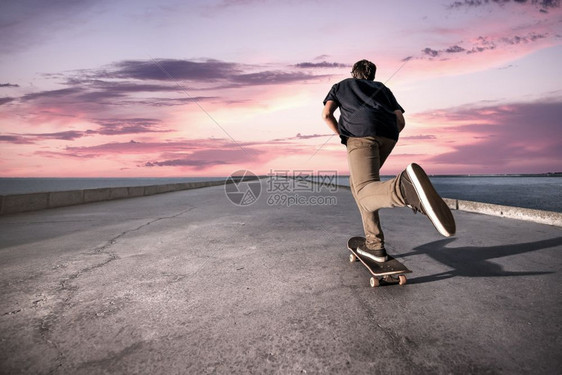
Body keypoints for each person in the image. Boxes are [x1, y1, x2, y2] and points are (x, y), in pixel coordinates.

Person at [322, 59, 455, 262]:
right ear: (372, 76)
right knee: (359, 185)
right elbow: (400, 121)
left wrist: (345, 136)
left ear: (353, 73)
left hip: (359, 137)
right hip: (389, 136)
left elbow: (327, 115)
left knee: (364, 190)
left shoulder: (341, 85)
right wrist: (385, 135)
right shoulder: (383, 88)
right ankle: (374, 243)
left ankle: (403, 189)